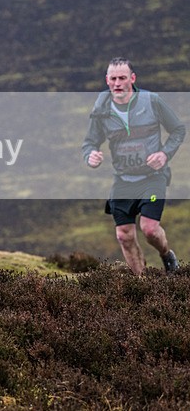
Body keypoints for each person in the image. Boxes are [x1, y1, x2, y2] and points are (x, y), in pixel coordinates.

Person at [82, 58, 184, 274]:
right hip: (123, 180)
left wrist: (164, 154)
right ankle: (142, 285)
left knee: (149, 229)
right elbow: (90, 142)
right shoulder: (101, 108)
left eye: (122, 78)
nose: (118, 83)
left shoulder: (151, 101)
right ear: (107, 80)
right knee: (124, 235)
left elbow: (178, 130)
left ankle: (166, 255)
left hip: (152, 177)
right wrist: (90, 156)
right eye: (113, 79)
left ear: (132, 79)